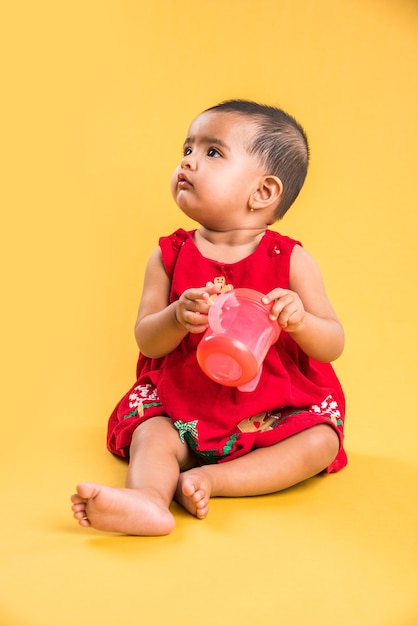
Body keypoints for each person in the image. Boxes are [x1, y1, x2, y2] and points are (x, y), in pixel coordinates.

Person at [71, 99, 347, 536]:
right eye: (187, 149)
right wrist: (176, 317)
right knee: (153, 433)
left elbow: (332, 342)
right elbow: (147, 341)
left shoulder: (291, 260)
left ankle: (209, 480)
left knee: (321, 441)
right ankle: (149, 500)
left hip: (270, 408)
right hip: (184, 403)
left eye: (212, 152)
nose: (188, 161)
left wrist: (301, 321)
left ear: (263, 192)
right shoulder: (169, 256)